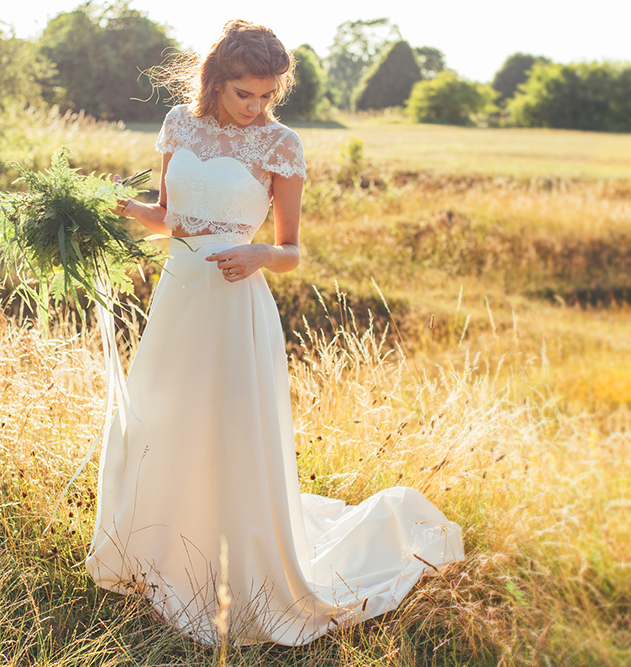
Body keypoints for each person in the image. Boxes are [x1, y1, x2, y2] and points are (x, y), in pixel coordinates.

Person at [87, 20, 464, 646]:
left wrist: (257, 255)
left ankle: (239, 567)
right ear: (215, 81)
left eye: (267, 95)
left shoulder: (280, 145)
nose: (257, 107)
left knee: (230, 430)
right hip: (180, 296)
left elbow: (291, 250)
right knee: (166, 419)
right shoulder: (178, 125)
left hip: (237, 302)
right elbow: (171, 219)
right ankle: (161, 557)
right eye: (245, 94)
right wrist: (124, 210)